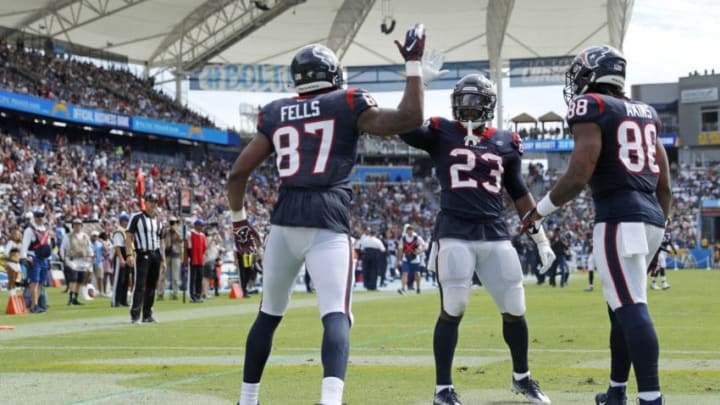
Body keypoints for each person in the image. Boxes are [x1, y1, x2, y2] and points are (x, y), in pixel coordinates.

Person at [227, 23, 439, 405]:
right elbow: (410, 117)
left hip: (283, 219)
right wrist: (413, 65)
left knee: (268, 314)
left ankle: (247, 399)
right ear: (333, 74)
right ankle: (330, 400)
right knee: (336, 315)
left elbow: (238, 172)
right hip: (327, 218)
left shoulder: (276, 111)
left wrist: (240, 221)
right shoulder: (348, 101)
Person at [521, 45, 671, 405]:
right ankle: (617, 391)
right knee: (619, 307)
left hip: (620, 218)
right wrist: (660, 233)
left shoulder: (592, 106)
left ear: (592, 75)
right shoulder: (645, 112)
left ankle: (651, 397)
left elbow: (578, 173)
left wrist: (538, 210)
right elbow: (664, 185)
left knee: (632, 306)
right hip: (650, 216)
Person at [398, 73, 555, 405]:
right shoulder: (440, 131)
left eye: (476, 101)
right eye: (464, 101)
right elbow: (405, 125)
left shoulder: (506, 141)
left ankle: (522, 378)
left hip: (494, 231)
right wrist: (415, 78)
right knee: (454, 306)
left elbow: (519, 192)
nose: (469, 108)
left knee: (515, 306)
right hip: (454, 230)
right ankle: (443, 389)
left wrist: (540, 238)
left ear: (488, 104)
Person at [126, 193, 166, 324]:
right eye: (150, 201)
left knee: (152, 286)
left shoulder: (159, 221)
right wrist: (129, 254)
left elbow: (162, 241)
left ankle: (147, 314)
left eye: (155, 202)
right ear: (145, 202)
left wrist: (163, 259)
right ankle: (135, 314)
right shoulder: (137, 217)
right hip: (142, 254)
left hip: (155, 255)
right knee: (140, 284)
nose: (153, 204)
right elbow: (129, 236)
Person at [20, 210, 53, 313]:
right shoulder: (30, 230)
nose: (40, 218)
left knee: (40, 283)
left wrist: (49, 259)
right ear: (34, 217)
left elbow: (47, 245)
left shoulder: (45, 229)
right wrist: (24, 258)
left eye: (42, 216)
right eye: (38, 216)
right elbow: (24, 245)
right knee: (34, 282)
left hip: (44, 259)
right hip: (34, 257)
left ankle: (37, 303)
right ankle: (34, 305)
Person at [60, 218, 93, 306]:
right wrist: (64, 258)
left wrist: (91, 256)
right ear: (72, 226)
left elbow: (89, 247)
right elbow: (63, 248)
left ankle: (76, 297)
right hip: (72, 260)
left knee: (80, 280)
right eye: (75, 225)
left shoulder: (85, 236)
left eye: (78, 225)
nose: (77, 226)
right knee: (73, 279)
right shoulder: (68, 236)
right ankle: (71, 297)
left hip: (83, 260)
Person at [396, 224, 427, 295]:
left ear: (413, 230)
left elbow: (425, 246)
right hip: (406, 258)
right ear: (406, 231)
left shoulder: (417, 238)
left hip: (415, 258)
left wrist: (420, 251)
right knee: (404, 273)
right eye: (408, 230)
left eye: (411, 229)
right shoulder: (403, 238)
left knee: (417, 273)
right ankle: (403, 288)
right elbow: (400, 249)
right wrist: (399, 260)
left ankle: (418, 288)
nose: (410, 231)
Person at [160, 216, 183, 300]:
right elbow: (162, 239)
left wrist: (175, 230)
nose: (173, 224)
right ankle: (160, 294)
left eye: (174, 222)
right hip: (166, 254)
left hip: (176, 254)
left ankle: (175, 294)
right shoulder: (166, 230)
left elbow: (181, 239)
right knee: (162, 276)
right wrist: (167, 229)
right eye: (171, 222)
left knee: (175, 277)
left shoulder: (179, 230)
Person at [111, 213, 131, 307]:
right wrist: (121, 258)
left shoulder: (127, 232)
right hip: (121, 255)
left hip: (127, 255)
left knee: (125, 279)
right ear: (123, 221)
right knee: (119, 279)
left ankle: (123, 300)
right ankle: (116, 300)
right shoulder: (119, 232)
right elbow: (117, 246)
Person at [187, 219, 207, 303]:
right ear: (196, 226)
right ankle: (192, 295)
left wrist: (203, 258)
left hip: (200, 260)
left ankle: (198, 294)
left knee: (199, 277)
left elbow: (204, 248)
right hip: (193, 259)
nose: (202, 227)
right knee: (193, 278)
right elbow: (189, 247)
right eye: (201, 225)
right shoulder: (190, 233)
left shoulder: (202, 235)